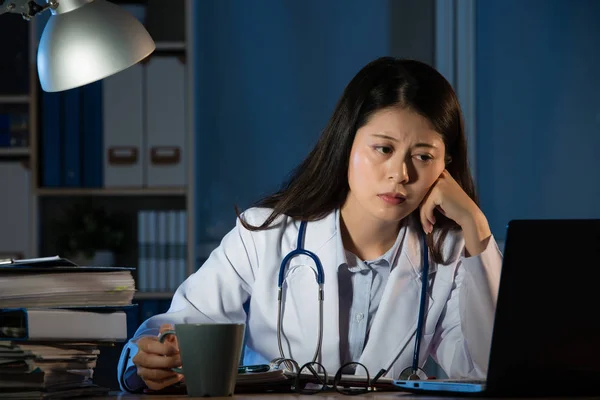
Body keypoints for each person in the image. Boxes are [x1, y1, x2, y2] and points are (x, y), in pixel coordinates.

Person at [118, 56, 502, 392]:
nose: (400, 173)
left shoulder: (451, 253)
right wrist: (148, 359)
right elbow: (178, 326)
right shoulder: (266, 235)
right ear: (346, 144)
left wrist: (475, 224)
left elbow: (487, 370)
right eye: (383, 148)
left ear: (445, 166)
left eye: (422, 156)